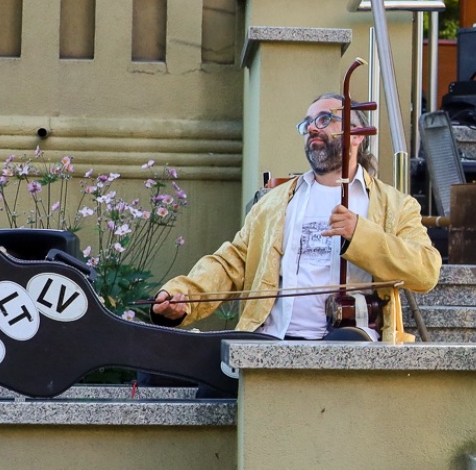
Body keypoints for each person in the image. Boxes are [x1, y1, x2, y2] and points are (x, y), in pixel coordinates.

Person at [151, 94, 441, 343]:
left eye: (325, 119)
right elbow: (231, 262)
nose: (312, 128)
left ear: (358, 134)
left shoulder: (395, 205)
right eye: (307, 123)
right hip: (273, 339)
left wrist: (361, 235)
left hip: (353, 347)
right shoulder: (275, 202)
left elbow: (426, 271)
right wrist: (184, 295)